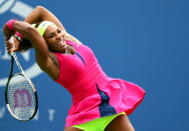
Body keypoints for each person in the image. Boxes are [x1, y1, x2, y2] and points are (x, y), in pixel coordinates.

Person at [3, 6, 145, 131]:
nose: (59, 36)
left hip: (110, 107)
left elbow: (40, 11)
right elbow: (30, 31)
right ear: (43, 44)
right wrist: (10, 28)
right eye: (51, 36)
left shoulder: (69, 40)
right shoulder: (48, 61)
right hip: (83, 117)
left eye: (58, 31)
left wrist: (16, 36)